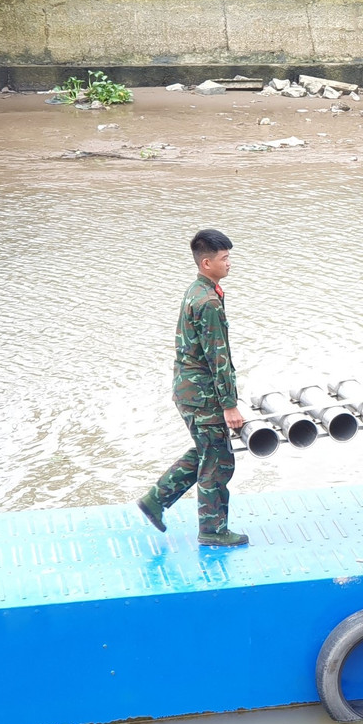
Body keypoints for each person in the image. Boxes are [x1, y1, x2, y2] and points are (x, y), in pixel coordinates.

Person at [136, 229, 249, 547]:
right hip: (202, 395)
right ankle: (212, 530)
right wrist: (229, 405)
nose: (230, 264)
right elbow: (218, 357)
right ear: (206, 262)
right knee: (219, 458)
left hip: (188, 389)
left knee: (205, 450)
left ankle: (156, 499)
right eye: (224, 259)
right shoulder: (208, 302)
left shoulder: (198, 291)